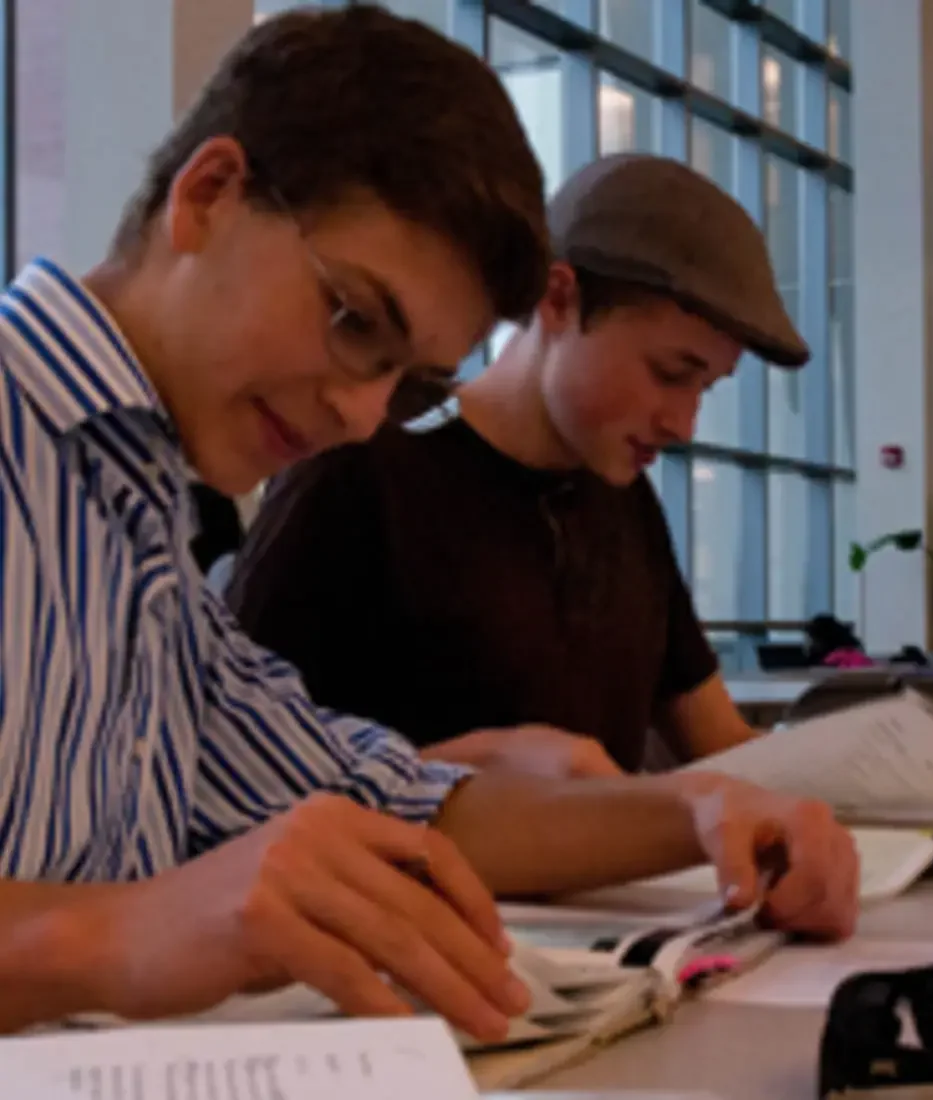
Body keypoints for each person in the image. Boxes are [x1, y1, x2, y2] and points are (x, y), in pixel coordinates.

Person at [0, 7, 858, 1041]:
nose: (364, 415)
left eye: (408, 379)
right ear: (210, 195)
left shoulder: (137, 520)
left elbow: (395, 800)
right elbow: (160, 916)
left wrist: (696, 811)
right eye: (355, 318)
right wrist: (114, 935)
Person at [227, 153, 933, 788]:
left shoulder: (625, 503)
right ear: (557, 298)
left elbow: (725, 750)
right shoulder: (360, 479)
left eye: (706, 388)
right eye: (670, 373)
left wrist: (919, 760)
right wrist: (454, 776)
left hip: (613, 932)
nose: (684, 423)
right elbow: (230, 775)